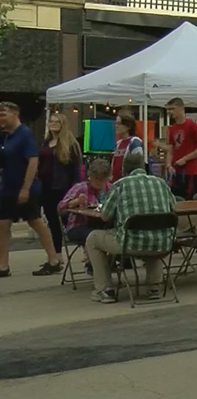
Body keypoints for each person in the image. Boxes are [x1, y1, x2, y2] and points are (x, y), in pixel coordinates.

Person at [85, 152, 176, 303]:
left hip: (130, 244)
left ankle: (105, 290)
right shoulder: (161, 183)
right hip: (164, 244)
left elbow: (105, 217)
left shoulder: (119, 185)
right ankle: (155, 287)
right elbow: (174, 208)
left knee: (93, 238)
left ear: (123, 170)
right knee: (154, 232)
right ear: (143, 167)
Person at [0, 102, 61, 278]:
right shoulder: (7, 137)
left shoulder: (24, 134)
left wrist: (26, 188)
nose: (1, 118)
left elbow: (33, 161)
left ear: (15, 114)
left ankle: (54, 259)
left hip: (25, 187)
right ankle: (3, 265)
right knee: (3, 224)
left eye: (4, 114)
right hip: (7, 188)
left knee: (35, 221)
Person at [36, 112, 83, 275]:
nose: (53, 124)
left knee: (68, 220)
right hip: (46, 187)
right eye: (51, 121)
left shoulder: (70, 144)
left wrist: (77, 190)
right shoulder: (46, 142)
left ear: (63, 124)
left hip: (63, 188)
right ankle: (57, 256)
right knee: (53, 223)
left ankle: (87, 252)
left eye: (57, 122)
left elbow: (76, 169)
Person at [58, 158, 112, 275]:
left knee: (113, 233)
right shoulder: (81, 188)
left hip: (102, 224)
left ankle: (109, 262)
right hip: (78, 226)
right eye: (95, 178)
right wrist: (75, 202)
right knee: (95, 235)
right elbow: (60, 207)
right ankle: (96, 264)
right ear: (90, 176)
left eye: (102, 179)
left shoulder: (111, 190)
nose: (98, 182)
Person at [164, 98, 197, 198]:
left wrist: (185, 159)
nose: (169, 112)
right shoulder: (172, 128)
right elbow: (170, 150)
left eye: (172, 109)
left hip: (190, 170)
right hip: (175, 170)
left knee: (188, 198)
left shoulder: (192, 126)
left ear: (181, 108)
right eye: (168, 109)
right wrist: (169, 165)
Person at [111, 113, 145, 183]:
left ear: (128, 126)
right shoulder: (118, 143)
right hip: (116, 182)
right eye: (116, 123)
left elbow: (138, 163)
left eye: (119, 124)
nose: (116, 126)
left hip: (129, 181)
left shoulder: (135, 142)